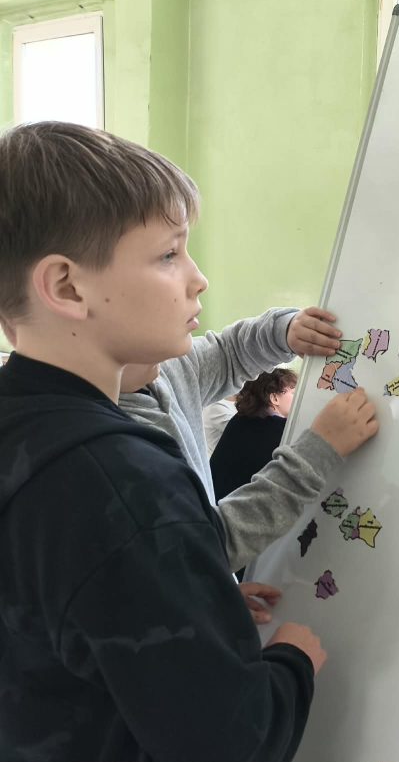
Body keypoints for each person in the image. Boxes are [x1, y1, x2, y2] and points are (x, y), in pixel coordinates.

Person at [0, 121, 371, 761]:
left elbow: (75, 614)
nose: (198, 279)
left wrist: (186, 600)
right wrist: (293, 660)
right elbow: (232, 742)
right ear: (66, 286)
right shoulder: (124, 482)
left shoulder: (25, 427)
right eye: (169, 255)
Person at [120, 307, 361, 575]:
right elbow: (196, 549)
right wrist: (319, 451)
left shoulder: (163, 369)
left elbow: (229, 351)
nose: (199, 284)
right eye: (165, 262)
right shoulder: (111, 449)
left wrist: (285, 331)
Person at [212, 368, 299, 505]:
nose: (299, 398)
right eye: (294, 393)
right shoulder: (280, 429)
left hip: (212, 501)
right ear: (274, 398)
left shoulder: (240, 419)